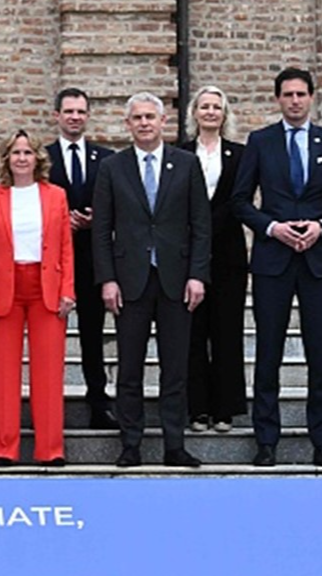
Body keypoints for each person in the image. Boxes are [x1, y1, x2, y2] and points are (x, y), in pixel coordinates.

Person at [233, 67, 322, 468]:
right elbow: (240, 201)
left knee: (319, 353)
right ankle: (266, 441)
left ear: (311, 97)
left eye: (301, 94)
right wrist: (273, 228)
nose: (294, 101)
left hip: (318, 261)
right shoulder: (261, 142)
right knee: (268, 351)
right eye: (287, 94)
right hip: (273, 259)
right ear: (278, 99)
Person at [92, 93, 210, 468]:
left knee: (175, 367)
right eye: (137, 118)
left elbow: (201, 226)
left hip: (176, 280)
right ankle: (131, 444)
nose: (144, 123)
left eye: (150, 117)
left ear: (164, 122)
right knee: (130, 368)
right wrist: (107, 280)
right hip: (130, 283)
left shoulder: (186, 164)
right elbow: (101, 230)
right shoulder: (113, 167)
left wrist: (197, 275)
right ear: (128, 125)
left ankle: (174, 444)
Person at [0, 130, 75, 467]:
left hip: (46, 286)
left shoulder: (56, 196)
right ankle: (4, 447)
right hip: (5, 287)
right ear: (7, 159)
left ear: (38, 158)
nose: (21, 158)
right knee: (2, 372)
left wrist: (67, 291)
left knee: (48, 372)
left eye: (27, 152)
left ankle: (50, 448)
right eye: (15, 153)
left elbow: (65, 246)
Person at [46, 87, 118, 429]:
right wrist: (63, 220)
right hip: (52, 261)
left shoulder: (105, 158)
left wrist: (96, 219)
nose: (75, 117)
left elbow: (119, 204)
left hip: (91, 259)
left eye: (81, 112)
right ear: (56, 116)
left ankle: (98, 403)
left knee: (92, 336)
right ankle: (48, 406)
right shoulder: (41, 159)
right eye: (69, 111)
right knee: (49, 338)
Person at [179, 85, 249, 433]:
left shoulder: (240, 154)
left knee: (226, 330)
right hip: (188, 254)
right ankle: (197, 409)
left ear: (224, 114)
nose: (210, 112)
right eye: (204, 106)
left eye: (216, 107)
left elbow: (242, 199)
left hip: (228, 254)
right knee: (192, 331)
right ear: (194, 113)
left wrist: (210, 222)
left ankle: (225, 408)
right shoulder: (179, 153)